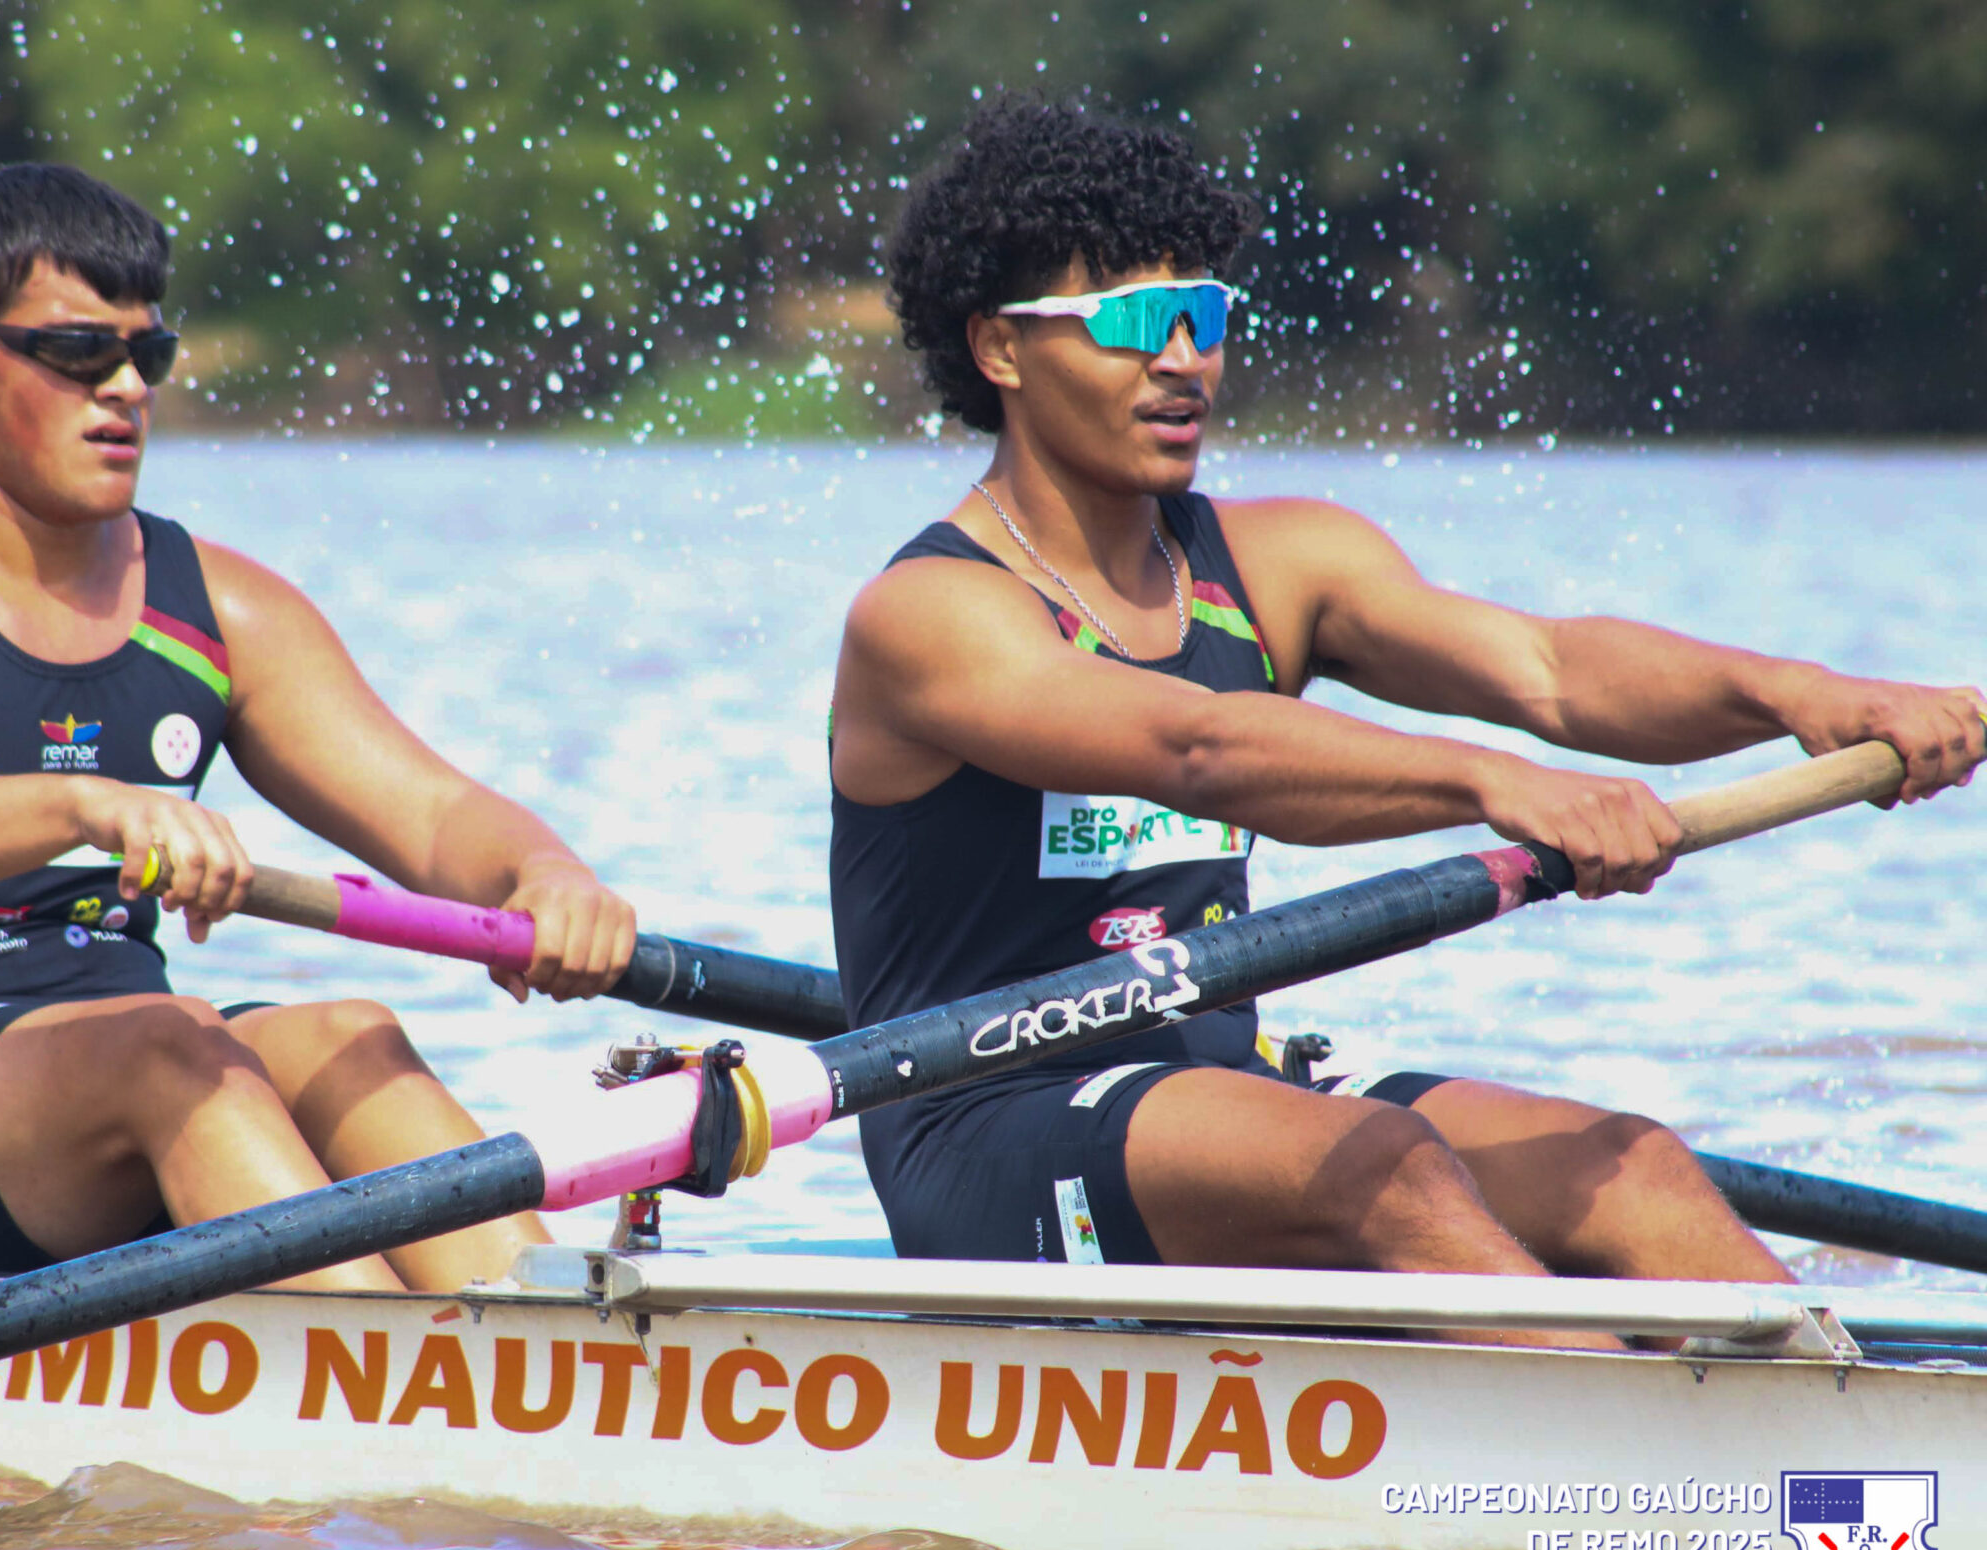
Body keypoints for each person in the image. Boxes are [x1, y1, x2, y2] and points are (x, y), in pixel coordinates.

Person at [828, 100, 1985, 1345]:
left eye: (1202, 316)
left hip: (1216, 1086)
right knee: (1387, 1164)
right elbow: (1197, 748)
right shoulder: (929, 616)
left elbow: (1548, 671)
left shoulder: (1283, 562)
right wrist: (1495, 785)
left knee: (1635, 1165)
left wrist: (1806, 697)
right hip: (983, 1112)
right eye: (1125, 323)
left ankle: (1841, 1481)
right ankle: (1627, 1474)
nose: (1180, 358)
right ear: (1001, 349)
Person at [0, 163, 635, 1290]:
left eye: (145, 357)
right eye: (75, 353)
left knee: (347, 1035)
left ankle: (549, 1368)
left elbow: (435, 813)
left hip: (125, 1089)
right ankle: (382, 1401)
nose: (124, 389)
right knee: (172, 1047)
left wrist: (547, 876)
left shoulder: (221, 607)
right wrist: (82, 805)